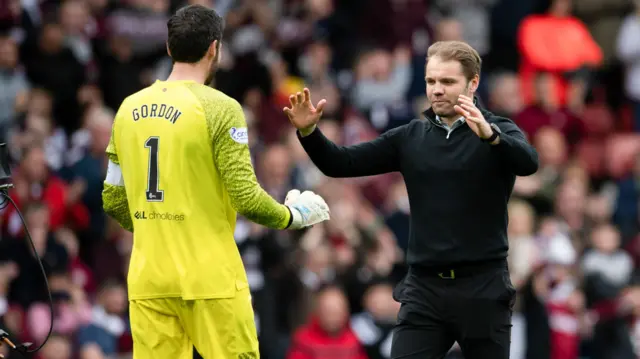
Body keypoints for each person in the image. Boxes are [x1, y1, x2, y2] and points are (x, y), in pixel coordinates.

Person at [283, 40, 539, 359]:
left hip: (484, 288)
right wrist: (309, 133)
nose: (437, 90)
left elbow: (529, 162)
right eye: (431, 81)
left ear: (472, 83)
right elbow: (340, 162)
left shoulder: (498, 131)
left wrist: (491, 137)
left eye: (447, 81)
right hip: (424, 289)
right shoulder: (411, 137)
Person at [101, 5, 330, 359]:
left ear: (168, 46)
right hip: (209, 278)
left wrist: (161, 229)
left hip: (149, 280)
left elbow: (113, 200)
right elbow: (245, 196)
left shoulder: (128, 109)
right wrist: (293, 215)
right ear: (214, 49)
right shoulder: (221, 108)